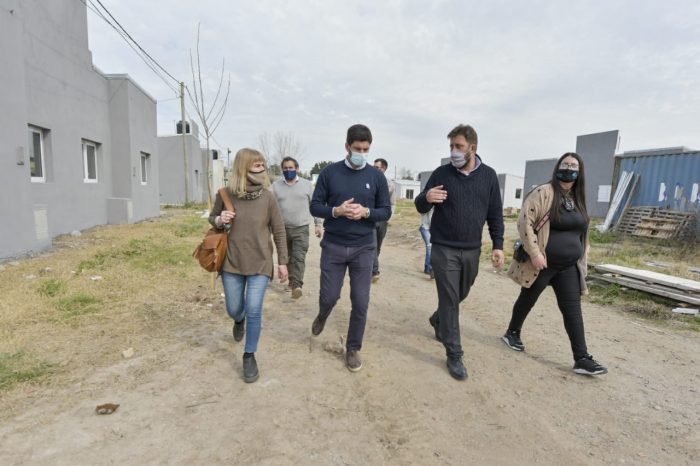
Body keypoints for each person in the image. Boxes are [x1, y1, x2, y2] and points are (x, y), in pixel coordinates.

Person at [503, 153, 608, 376]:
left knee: (573, 311)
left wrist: (584, 250)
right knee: (527, 299)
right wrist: (534, 254)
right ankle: (512, 332)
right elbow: (525, 223)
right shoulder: (544, 192)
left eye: (573, 165)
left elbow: (581, 228)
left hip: (569, 267)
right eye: (565, 164)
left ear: (580, 172)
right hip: (543, 264)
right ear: (558, 167)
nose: (569, 168)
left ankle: (581, 358)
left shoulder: (578, 197)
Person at [415, 124, 505, 380]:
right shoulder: (442, 173)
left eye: (459, 147)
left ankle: (439, 319)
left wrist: (498, 244)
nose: (454, 151)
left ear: (472, 148)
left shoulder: (488, 176)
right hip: (443, 248)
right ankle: (454, 354)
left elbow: (495, 214)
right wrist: (427, 197)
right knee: (450, 298)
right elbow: (420, 203)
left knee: (460, 293)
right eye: (451, 146)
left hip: (472, 250)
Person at [309, 124, 392, 372]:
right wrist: (336, 210)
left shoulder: (377, 177)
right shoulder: (329, 173)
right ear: (347, 147)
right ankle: (323, 314)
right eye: (357, 148)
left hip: (364, 247)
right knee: (330, 296)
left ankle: (353, 348)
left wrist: (366, 212)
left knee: (361, 301)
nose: (362, 153)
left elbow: (386, 212)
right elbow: (315, 206)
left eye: (366, 149)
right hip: (333, 245)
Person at [209, 148, 288, 383]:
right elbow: (212, 219)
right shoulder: (224, 195)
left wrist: (283, 262)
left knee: (254, 309)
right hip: (231, 262)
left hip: (260, 263)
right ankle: (238, 319)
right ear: (243, 168)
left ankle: (249, 354)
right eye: (257, 166)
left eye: (263, 165)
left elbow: (279, 230)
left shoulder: (268, 197)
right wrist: (219, 219)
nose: (262, 170)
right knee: (235, 308)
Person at [272, 157, 322, 299]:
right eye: (285, 168)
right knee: (287, 257)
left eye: (291, 168)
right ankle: (291, 280)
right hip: (281, 229)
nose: (288, 171)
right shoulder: (275, 186)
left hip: (301, 228)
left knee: (298, 256)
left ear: (297, 169)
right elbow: (271, 209)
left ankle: (297, 285)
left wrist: (318, 224)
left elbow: (315, 206)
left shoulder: (307, 185)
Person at [371, 158, 396, 282]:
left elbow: (393, 203)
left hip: (383, 220)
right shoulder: (369, 181)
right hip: (371, 219)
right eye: (373, 167)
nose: (374, 169)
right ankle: (374, 271)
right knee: (373, 245)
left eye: (377, 167)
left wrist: (388, 218)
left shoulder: (390, 185)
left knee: (378, 246)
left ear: (383, 169)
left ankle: (371, 266)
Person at [419, 208, 434, 279]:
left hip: (433, 227)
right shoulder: (426, 203)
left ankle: (427, 266)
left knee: (432, 247)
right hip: (424, 227)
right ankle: (431, 269)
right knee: (429, 246)